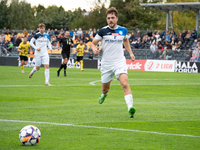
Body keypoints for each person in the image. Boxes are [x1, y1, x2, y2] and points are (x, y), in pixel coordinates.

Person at [90, 7, 136, 118]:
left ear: (117, 19)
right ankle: (104, 95)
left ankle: (130, 107)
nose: (110, 20)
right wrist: (94, 49)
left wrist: (130, 53)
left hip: (119, 62)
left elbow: (125, 40)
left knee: (125, 84)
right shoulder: (102, 31)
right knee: (105, 88)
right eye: (108, 18)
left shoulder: (123, 30)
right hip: (106, 64)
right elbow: (93, 43)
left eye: (112, 18)